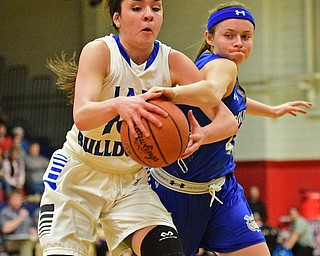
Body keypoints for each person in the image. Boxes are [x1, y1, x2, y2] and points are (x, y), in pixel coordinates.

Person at [38, 0, 238, 256]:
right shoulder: (100, 51)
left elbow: (227, 120)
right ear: (117, 18)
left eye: (156, 8)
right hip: (79, 175)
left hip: (131, 181)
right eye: (137, 8)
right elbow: (82, 116)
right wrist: (119, 105)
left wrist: (202, 135)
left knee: (168, 252)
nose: (148, 16)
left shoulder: (173, 61)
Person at [148, 2, 312, 256]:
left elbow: (234, 101)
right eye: (229, 35)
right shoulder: (222, 66)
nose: (238, 42)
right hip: (176, 192)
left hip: (222, 190)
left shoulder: (220, 71)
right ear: (209, 38)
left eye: (245, 37)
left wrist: (273, 110)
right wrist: (171, 94)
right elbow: (213, 91)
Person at [0, 189, 38, 256]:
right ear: (9, 200)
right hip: (10, 242)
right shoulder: (4, 213)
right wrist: (20, 218)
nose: (18, 202)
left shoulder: (24, 212)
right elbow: (5, 229)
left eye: (19, 199)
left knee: (39, 245)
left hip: (27, 238)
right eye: (15, 199)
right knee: (26, 243)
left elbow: (31, 227)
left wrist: (34, 231)